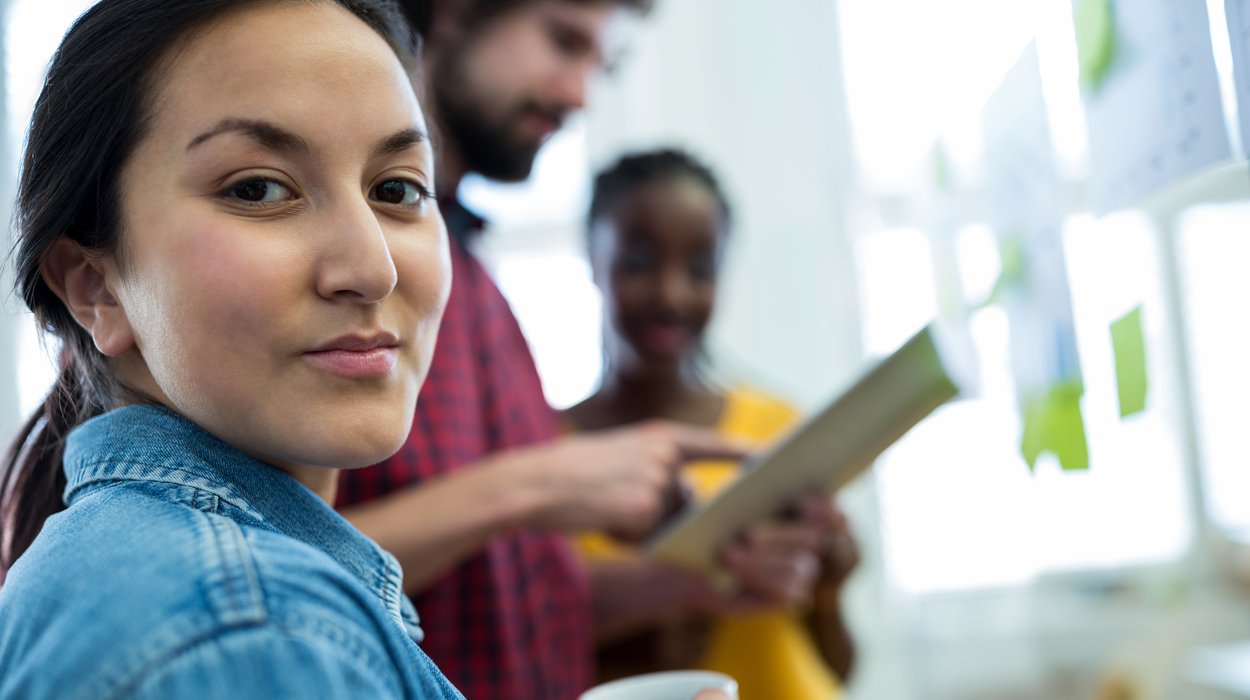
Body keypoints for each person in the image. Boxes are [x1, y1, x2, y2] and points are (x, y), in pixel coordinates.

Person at [336, 1, 847, 697]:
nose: (579, 94)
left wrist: (699, 580)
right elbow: (275, 567)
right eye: (562, 40)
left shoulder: (481, 290)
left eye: (598, 64)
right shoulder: (353, 278)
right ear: (454, 12)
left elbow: (509, 607)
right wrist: (540, 483)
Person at [0, 1, 464, 697]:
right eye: (259, 189)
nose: (374, 270)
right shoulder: (252, 632)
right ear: (96, 286)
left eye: (396, 189)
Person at [566, 149, 860, 699]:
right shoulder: (547, 456)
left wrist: (830, 588)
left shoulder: (777, 430)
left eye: (701, 269)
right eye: (638, 261)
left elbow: (836, 667)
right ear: (591, 256)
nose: (671, 294)